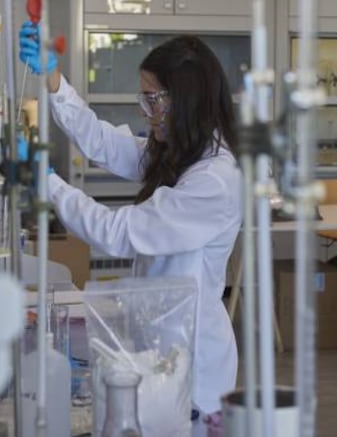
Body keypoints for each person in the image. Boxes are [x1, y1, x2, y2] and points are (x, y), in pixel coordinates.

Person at [19, 21, 243, 415]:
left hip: (193, 362)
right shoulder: (182, 152)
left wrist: (48, 182)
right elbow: (104, 143)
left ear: (185, 101)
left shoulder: (214, 179)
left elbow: (117, 232)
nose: (146, 113)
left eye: (153, 101)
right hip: (159, 341)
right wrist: (54, 81)